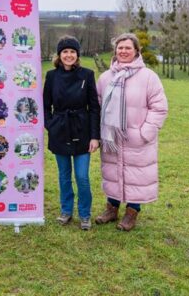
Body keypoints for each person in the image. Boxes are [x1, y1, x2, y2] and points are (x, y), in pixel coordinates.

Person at [95, 33, 168, 231]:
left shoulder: (148, 77)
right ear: (115, 51)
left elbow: (159, 107)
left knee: (136, 176)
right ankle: (112, 208)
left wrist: (145, 133)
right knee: (112, 172)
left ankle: (132, 212)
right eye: (120, 48)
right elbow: (97, 106)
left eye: (128, 48)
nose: (124, 51)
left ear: (137, 51)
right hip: (111, 138)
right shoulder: (105, 78)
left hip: (136, 139)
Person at [43, 36, 100, 230]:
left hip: (82, 130)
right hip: (60, 130)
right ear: (59, 55)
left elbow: (94, 108)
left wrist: (94, 136)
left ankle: (85, 213)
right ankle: (66, 210)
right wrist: (50, 124)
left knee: (82, 176)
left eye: (72, 52)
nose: (69, 55)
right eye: (65, 52)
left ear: (77, 55)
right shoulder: (51, 76)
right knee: (64, 175)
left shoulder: (87, 75)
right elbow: (45, 105)